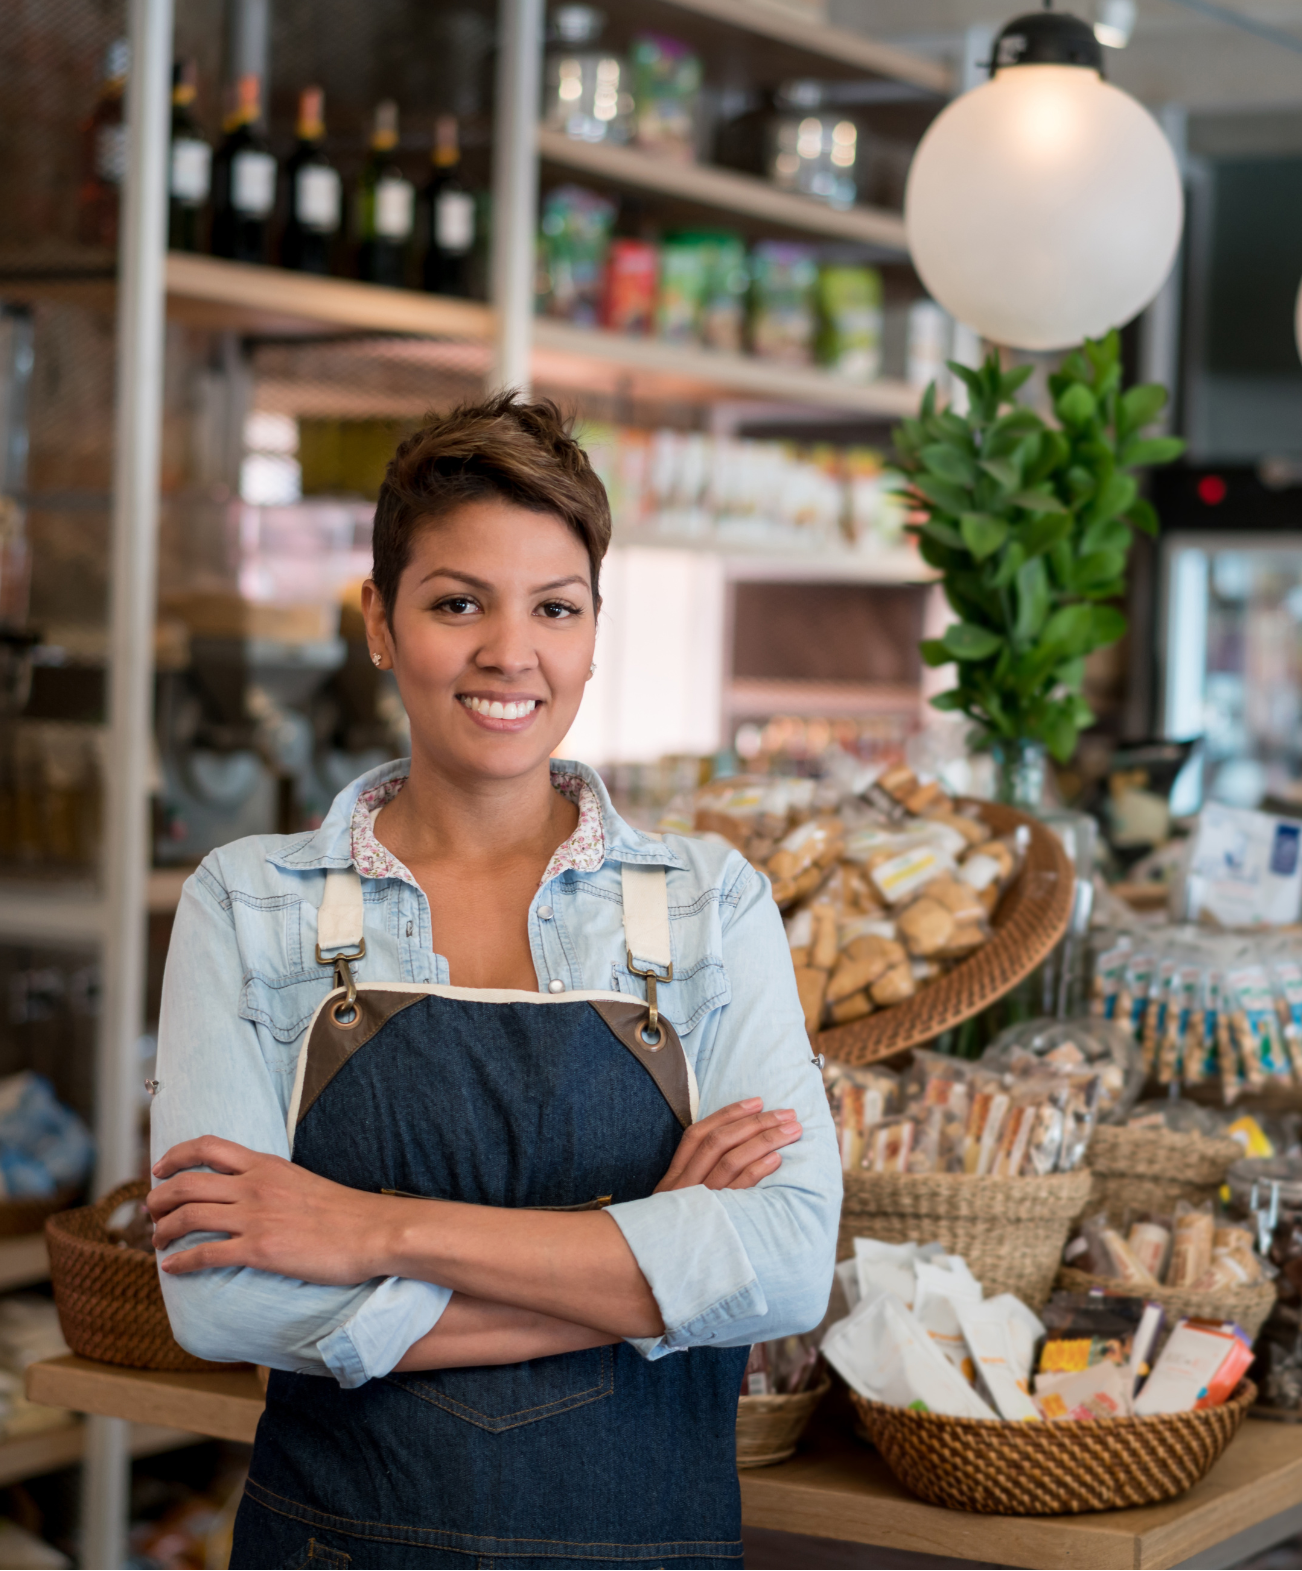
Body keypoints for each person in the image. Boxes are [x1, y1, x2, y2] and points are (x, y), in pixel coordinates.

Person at [144, 393, 841, 1570]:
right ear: (379, 619)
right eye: (456, 601)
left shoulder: (707, 902)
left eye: (553, 608)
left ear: (591, 631)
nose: (509, 652)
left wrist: (366, 1227)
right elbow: (221, 1302)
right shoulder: (247, 899)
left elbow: (779, 1268)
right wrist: (645, 1268)